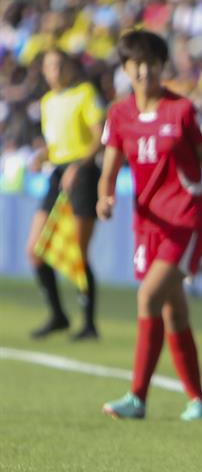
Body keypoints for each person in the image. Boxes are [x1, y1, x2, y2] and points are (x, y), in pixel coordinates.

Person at [96, 30, 202, 421]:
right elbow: (110, 168)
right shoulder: (119, 114)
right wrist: (105, 196)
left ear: (162, 66)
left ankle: (137, 397)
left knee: (148, 297)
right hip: (147, 225)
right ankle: (198, 400)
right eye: (137, 64)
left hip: (186, 220)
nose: (145, 70)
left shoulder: (181, 111)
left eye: (152, 63)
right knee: (173, 312)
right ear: (125, 68)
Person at [27, 48, 104, 340]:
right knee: (35, 250)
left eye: (60, 65)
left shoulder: (84, 93)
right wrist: (41, 156)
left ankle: (88, 323)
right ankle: (58, 315)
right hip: (57, 172)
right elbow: (55, 144)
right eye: (50, 66)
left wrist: (79, 166)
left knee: (79, 252)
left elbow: (99, 135)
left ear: (70, 68)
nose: (55, 71)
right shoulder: (47, 102)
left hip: (83, 173)